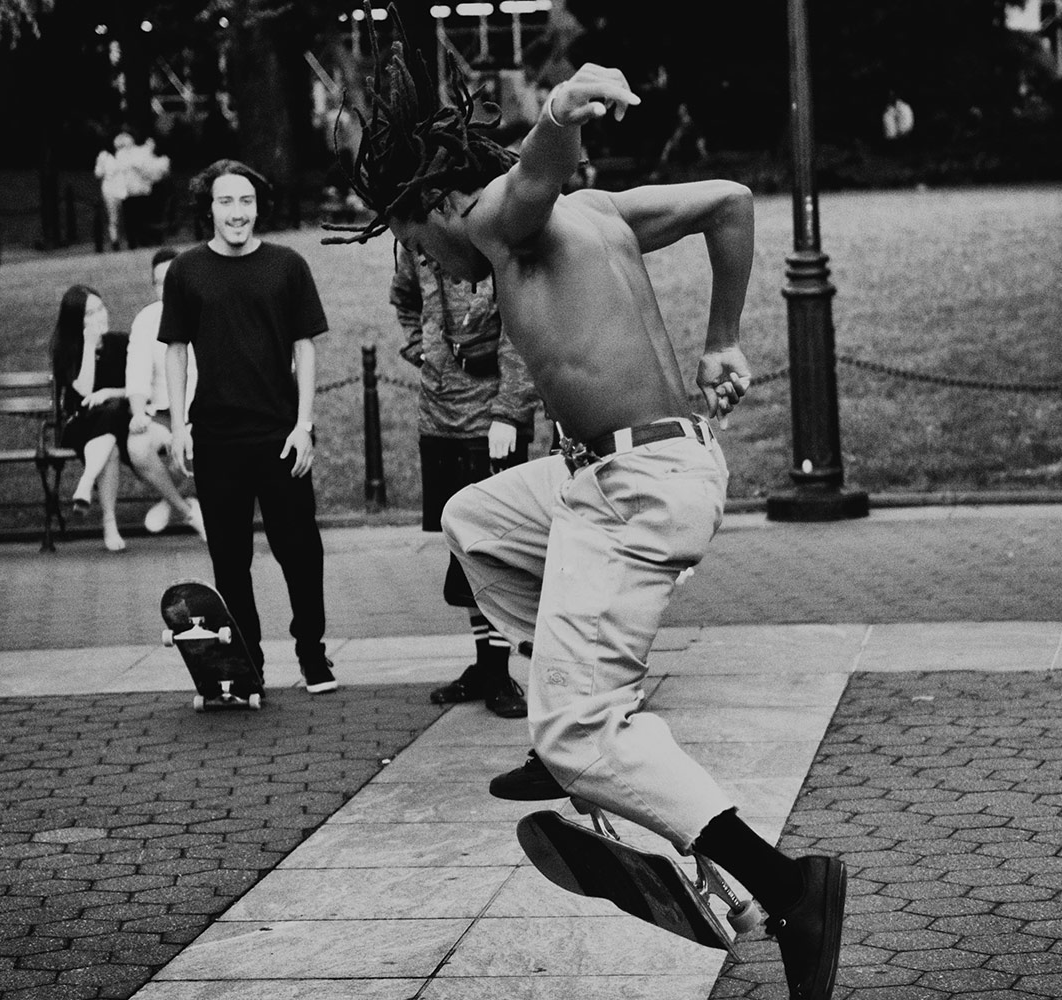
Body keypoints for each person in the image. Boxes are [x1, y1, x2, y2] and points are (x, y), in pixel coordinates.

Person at [329, 43, 845, 1000]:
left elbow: (525, 181)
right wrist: (722, 336)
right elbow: (730, 202)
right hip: (626, 471)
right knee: (477, 518)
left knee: (581, 736)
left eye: (408, 242)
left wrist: (561, 110)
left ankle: (789, 886)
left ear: (431, 206)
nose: (429, 264)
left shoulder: (492, 217)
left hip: (634, 489)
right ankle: (575, 712)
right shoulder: (597, 213)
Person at [160, 159, 337, 697]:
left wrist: (304, 424)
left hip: (280, 434)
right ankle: (245, 663)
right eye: (225, 202)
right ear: (208, 208)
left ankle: (312, 652)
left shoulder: (287, 265)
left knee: (300, 550)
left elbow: (305, 347)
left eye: (245, 202)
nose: (237, 212)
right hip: (215, 436)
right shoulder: (185, 271)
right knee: (229, 558)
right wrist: (178, 425)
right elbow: (175, 351)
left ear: (259, 207)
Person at [393, 245, 540, 718]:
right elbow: (404, 298)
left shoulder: (490, 234)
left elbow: (523, 330)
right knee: (460, 547)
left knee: (493, 548)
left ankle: (499, 671)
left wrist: (509, 412)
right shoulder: (413, 240)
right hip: (437, 418)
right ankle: (484, 665)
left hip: (491, 421)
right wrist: (426, 350)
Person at [125, 248, 206, 539]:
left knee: (198, 443)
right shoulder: (147, 320)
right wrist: (137, 414)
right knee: (137, 446)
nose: (169, 289)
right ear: (153, 287)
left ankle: (167, 501)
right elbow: (136, 375)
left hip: (205, 413)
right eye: (161, 283)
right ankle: (186, 509)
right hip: (162, 415)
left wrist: (189, 425)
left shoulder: (206, 310)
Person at [50, 285, 134, 553]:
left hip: (117, 419)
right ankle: (108, 522)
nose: (100, 316)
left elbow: (138, 386)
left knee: (110, 418)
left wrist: (110, 392)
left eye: (101, 308)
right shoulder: (65, 349)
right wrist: (88, 344)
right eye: (90, 313)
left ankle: (87, 484)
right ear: (77, 321)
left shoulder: (122, 343)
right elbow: (84, 389)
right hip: (80, 424)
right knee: (109, 446)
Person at [95, 133, 138, 251]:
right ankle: (115, 241)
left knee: (127, 216)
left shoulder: (123, 156)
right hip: (110, 190)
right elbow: (98, 173)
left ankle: (131, 241)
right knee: (113, 217)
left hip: (124, 189)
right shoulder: (103, 156)